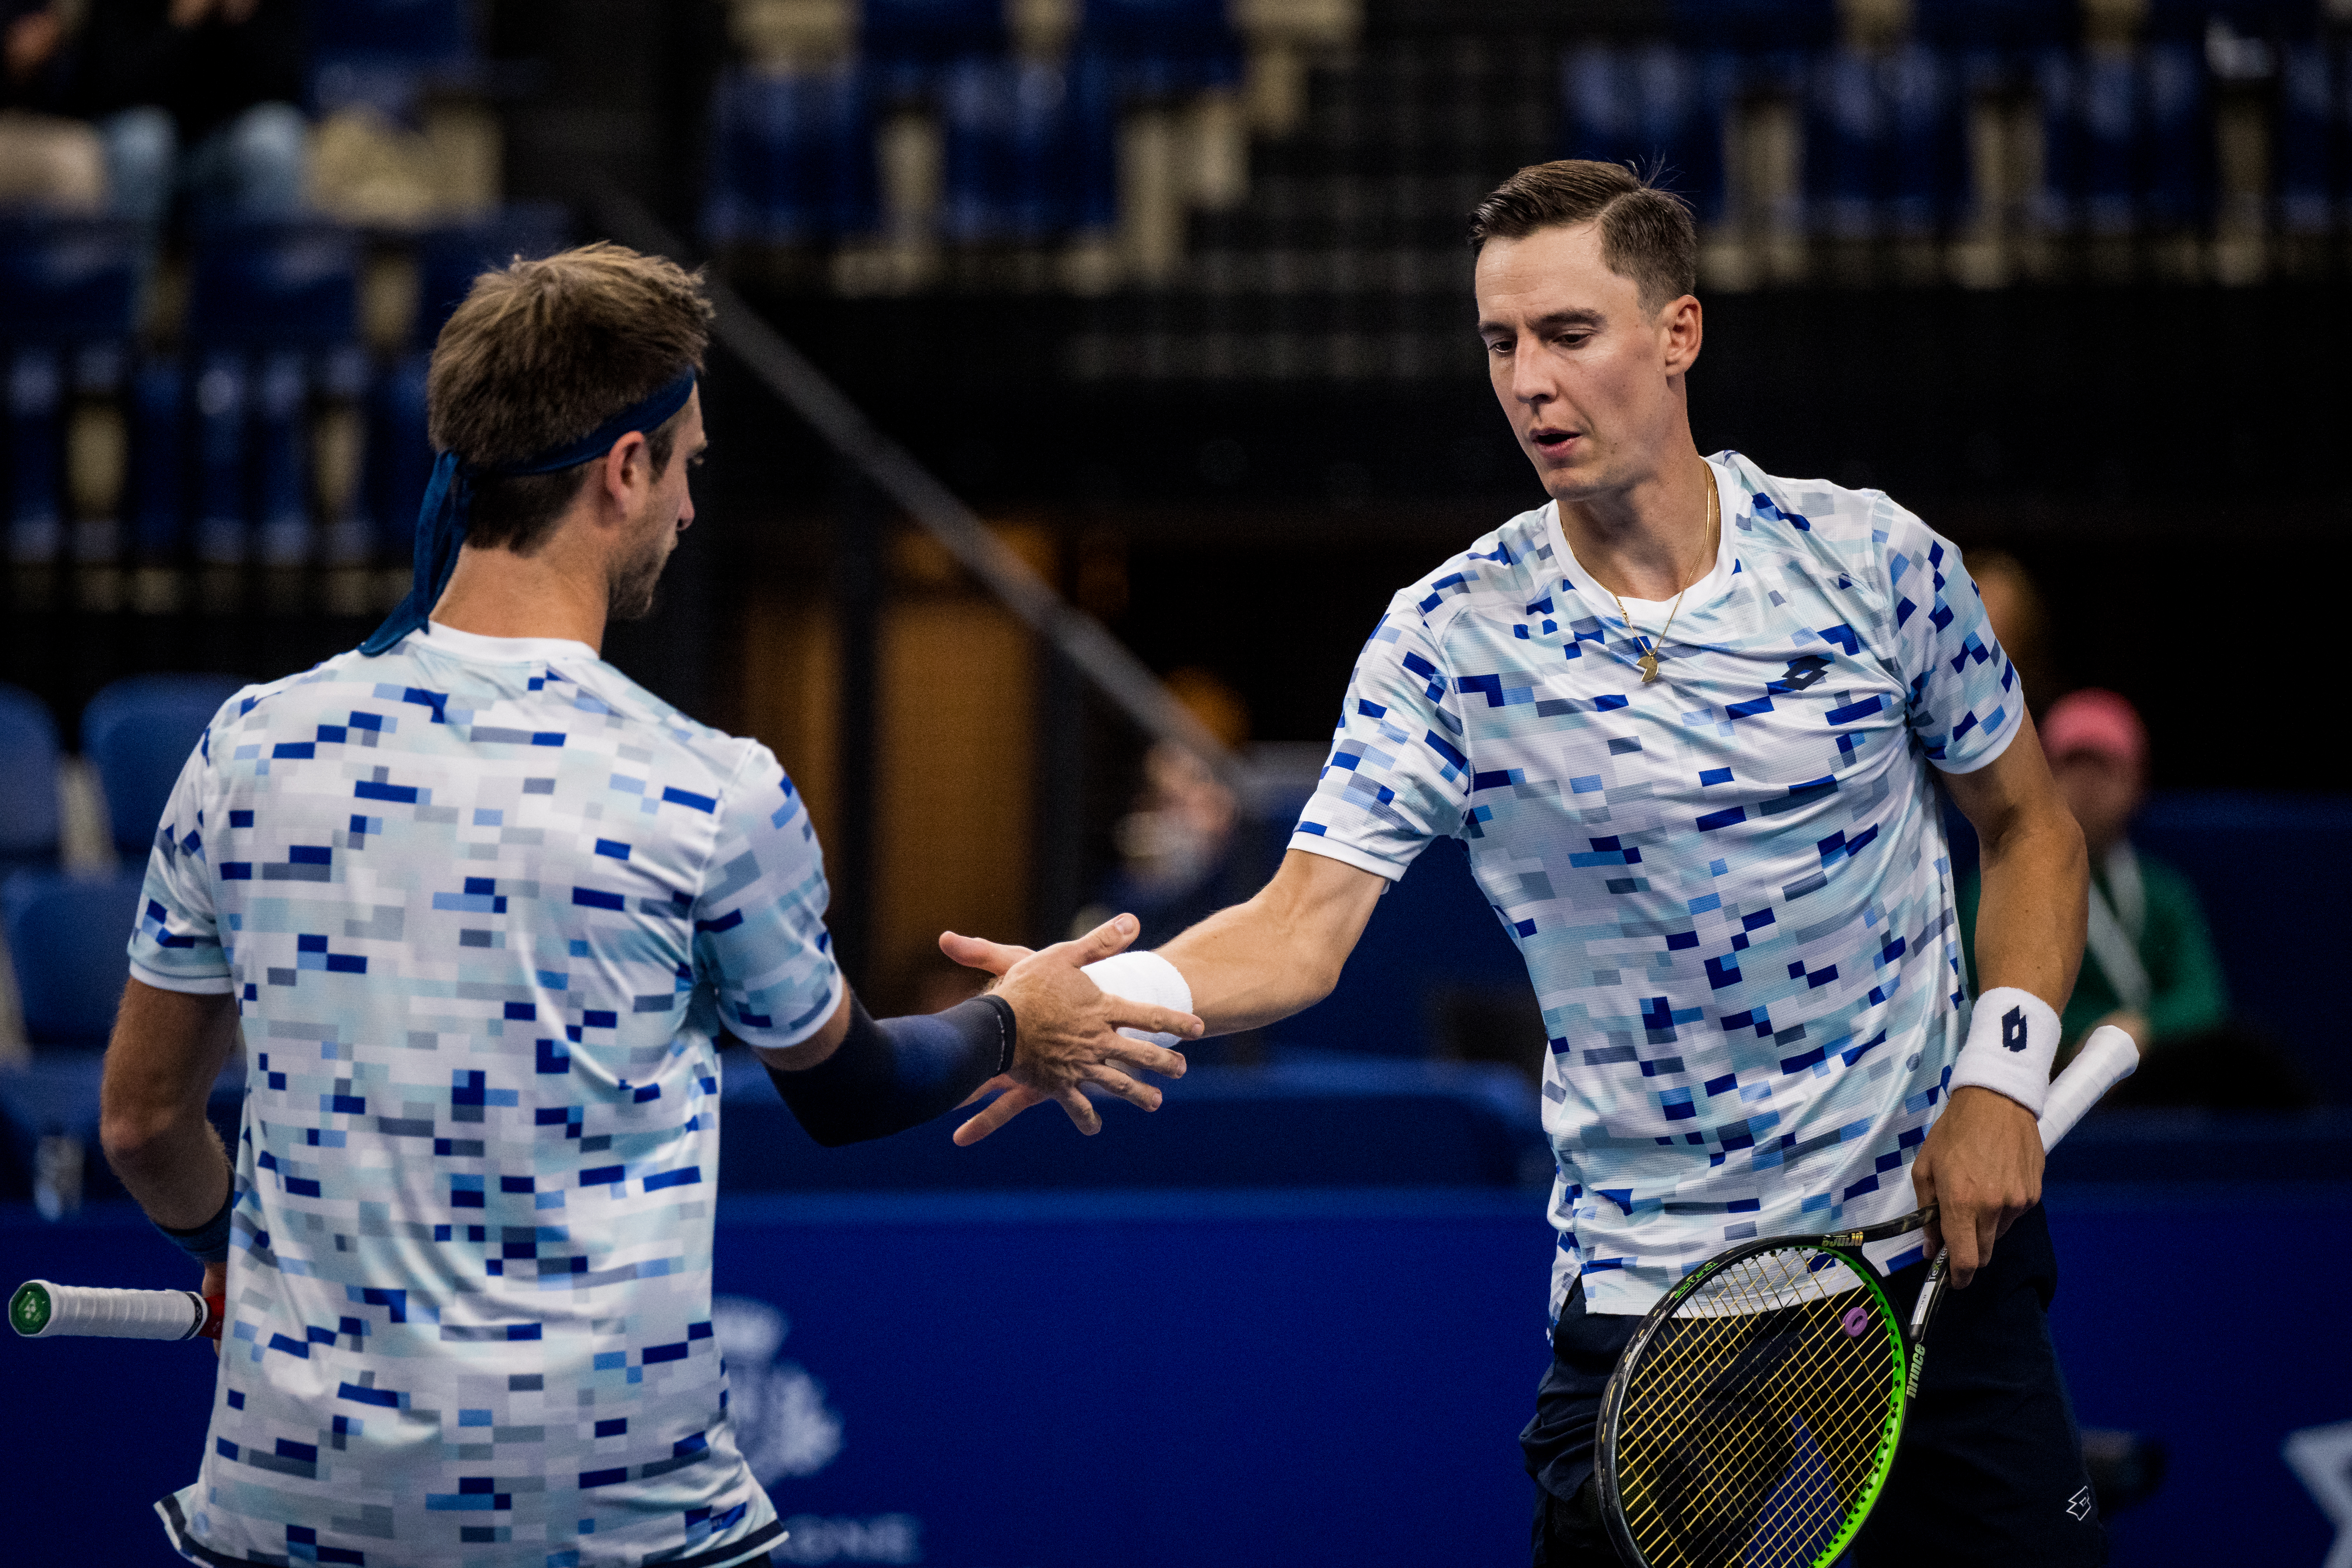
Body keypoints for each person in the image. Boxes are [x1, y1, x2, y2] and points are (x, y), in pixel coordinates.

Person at [946, 161, 2101, 1565]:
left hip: (1931, 1277)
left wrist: (2000, 1079)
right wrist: (1088, 1001)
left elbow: (2030, 826)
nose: (1528, 382)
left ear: (1677, 333)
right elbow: (1296, 929)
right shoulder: (1449, 641)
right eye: (1499, 343)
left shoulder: (1874, 563)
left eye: (1567, 334)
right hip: (1653, 1321)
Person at [97, 242, 1200, 1568]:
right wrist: (1017, 1022)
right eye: (685, 466)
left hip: (290, 1514)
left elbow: (145, 1122)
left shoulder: (246, 749)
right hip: (613, 1526)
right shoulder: (711, 790)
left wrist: (234, 1246)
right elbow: (845, 1088)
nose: (688, 506)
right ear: (624, 470)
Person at [74, 0, 308, 230]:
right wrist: (182, 22)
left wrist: (240, 23)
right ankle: (125, 268)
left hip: (220, 148)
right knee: (144, 140)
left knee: (273, 139)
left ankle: (261, 267)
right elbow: (112, 90)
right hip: (135, 140)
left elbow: (286, 91)